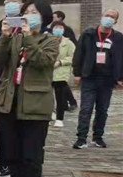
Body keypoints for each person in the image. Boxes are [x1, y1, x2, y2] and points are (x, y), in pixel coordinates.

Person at [0, 0, 59, 177]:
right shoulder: (15, 38)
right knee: (11, 151)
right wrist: (5, 35)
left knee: (31, 153)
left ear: (44, 17)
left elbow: (42, 61)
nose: (28, 15)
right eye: (26, 12)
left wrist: (28, 37)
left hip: (35, 106)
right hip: (9, 102)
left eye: (33, 12)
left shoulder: (51, 40)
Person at [0, 0, 28, 177]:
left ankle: (28, 167)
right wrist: (5, 35)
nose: (10, 4)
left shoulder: (30, 27)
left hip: (26, 85)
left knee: (26, 129)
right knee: (2, 127)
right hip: (3, 82)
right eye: (7, 2)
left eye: (15, 1)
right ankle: (3, 163)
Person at [72, 9, 123, 149]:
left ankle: (98, 137)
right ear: (102, 16)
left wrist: (120, 77)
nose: (109, 18)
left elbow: (120, 58)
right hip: (90, 77)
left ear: (116, 21)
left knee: (102, 110)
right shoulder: (89, 34)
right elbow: (79, 53)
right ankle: (81, 138)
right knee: (86, 109)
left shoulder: (118, 38)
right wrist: (77, 73)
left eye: (112, 17)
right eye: (107, 15)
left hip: (107, 80)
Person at [49, 23, 75, 129]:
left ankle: (59, 118)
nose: (57, 31)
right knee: (48, 95)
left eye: (60, 29)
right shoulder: (48, 41)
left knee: (60, 96)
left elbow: (72, 57)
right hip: (49, 71)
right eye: (55, 29)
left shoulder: (68, 43)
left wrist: (61, 62)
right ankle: (51, 112)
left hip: (61, 73)